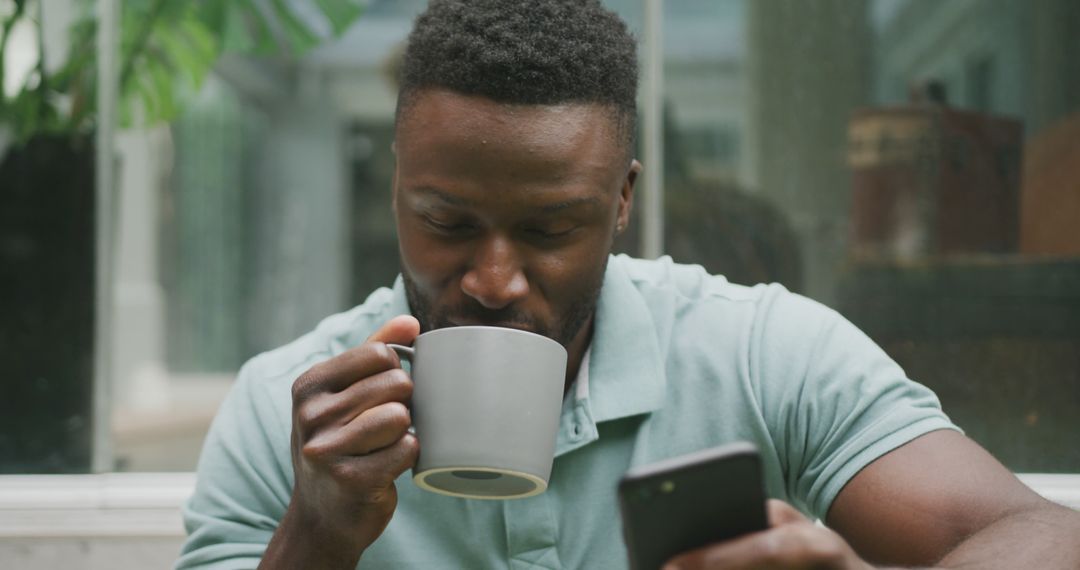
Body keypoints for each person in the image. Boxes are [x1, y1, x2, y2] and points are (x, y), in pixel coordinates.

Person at [177, 1, 1080, 568]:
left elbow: (1040, 536)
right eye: (447, 223)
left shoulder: (759, 351)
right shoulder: (286, 411)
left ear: (622, 202)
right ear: (396, 191)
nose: (493, 281)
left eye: (550, 228)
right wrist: (319, 535)